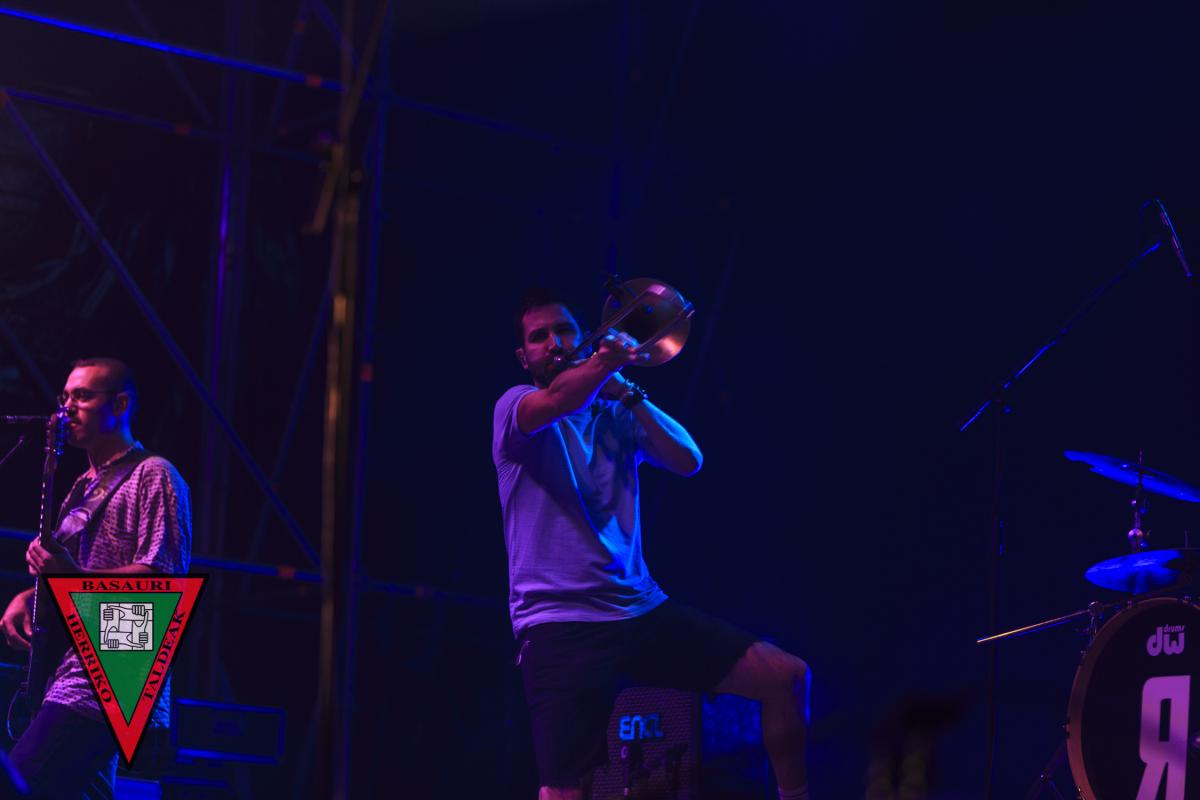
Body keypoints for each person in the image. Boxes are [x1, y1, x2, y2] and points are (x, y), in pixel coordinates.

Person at [493, 289, 811, 800]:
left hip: (639, 611)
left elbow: (689, 460)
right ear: (523, 357)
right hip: (560, 625)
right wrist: (603, 364)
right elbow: (559, 400)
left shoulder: (617, 415)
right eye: (539, 337)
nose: (554, 343)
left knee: (786, 677)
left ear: (583, 337)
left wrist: (627, 391)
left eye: (565, 331)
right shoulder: (514, 407)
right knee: (562, 792)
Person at [0, 358, 191, 798]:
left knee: (19, 785)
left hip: (114, 670)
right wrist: (30, 595)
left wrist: (71, 577)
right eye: (65, 396)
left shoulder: (155, 474)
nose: (67, 407)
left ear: (121, 404)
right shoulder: (82, 487)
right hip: (71, 667)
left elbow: (163, 582)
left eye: (83, 396)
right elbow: (73, 576)